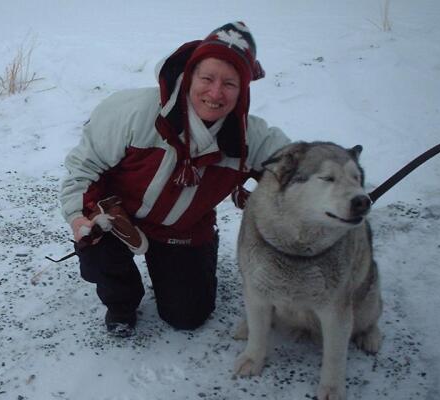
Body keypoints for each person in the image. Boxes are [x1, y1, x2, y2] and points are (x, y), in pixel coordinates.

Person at [60, 22, 291, 337]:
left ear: (243, 89)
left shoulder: (251, 139)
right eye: (207, 78)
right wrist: (77, 215)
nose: (215, 93)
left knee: (187, 317)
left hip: (183, 229)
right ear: (190, 75)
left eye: (229, 83)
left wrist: (337, 188)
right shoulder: (132, 112)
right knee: (97, 249)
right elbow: (83, 168)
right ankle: (122, 303)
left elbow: (299, 167)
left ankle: (196, 257)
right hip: (117, 219)